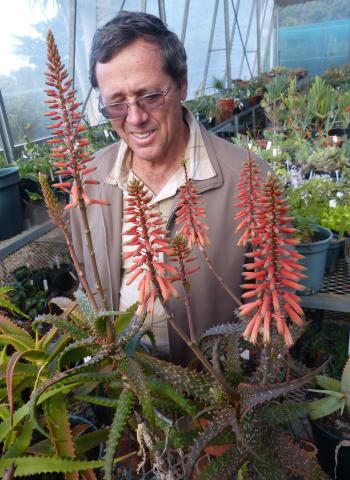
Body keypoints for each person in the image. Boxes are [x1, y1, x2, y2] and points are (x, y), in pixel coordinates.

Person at [71, 11, 267, 364]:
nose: (135, 118)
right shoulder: (88, 176)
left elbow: (267, 309)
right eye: (116, 103)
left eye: (149, 96)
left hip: (214, 392)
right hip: (119, 385)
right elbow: (86, 281)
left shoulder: (250, 177)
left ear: (182, 85)